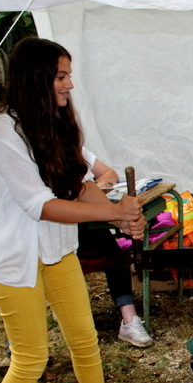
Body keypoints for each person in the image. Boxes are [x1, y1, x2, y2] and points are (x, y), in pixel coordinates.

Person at [0, 37, 151, 383]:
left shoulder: (53, 122)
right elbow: (40, 204)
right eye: (60, 75)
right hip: (15, 258)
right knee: (31, 358)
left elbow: (78, 184)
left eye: (68, 74)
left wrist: (122, 220)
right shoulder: (2, 130)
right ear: (35, 77)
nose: (69, 84)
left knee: (84, 339)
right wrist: (113, 212)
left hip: (56, 252)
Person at [77, 148, 153, 347]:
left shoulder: (67, 143)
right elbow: (46, 206)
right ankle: (22, 338)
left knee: (115, 257)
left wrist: (122, 220)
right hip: (34, 242)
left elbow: (85, 188)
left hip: (75, 233)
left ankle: (129, 320)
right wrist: (119, 215)